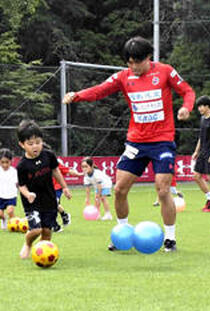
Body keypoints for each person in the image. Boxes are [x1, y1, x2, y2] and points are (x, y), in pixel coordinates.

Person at [63, 36, 195, 252]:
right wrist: (77, 95)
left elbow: (187, 91)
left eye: (137, 62)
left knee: (163, 190)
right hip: (136, 142)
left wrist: (186, 108)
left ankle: (170, 238)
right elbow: (100, 90)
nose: (133, 67)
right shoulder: (124, 77)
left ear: (148, 58)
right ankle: (122, 233)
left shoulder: (165, 71)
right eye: (129, 62)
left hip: (162, 141)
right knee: (119, 189)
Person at [16, 120, 72, 259]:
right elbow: (21, 185)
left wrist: (64, 187)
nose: (35, 146)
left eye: (38, 142)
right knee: (36, 230)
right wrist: (27, 194)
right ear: (22, 144)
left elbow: (56, 171)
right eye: (30, 144)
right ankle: (28, 244)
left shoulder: (49, 155)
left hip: (49, 198)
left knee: (47, 231)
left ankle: (41, 254)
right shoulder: (22, 166)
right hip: (32, 202)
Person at [192, 95, 210, 212]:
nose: (199, 108)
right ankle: (209, 198)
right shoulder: (203, 118)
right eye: (198, 106)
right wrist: (196, 151)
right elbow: (201, 136)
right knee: (196, 176)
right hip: (203, 152)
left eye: (201, 106)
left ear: (207, 106)